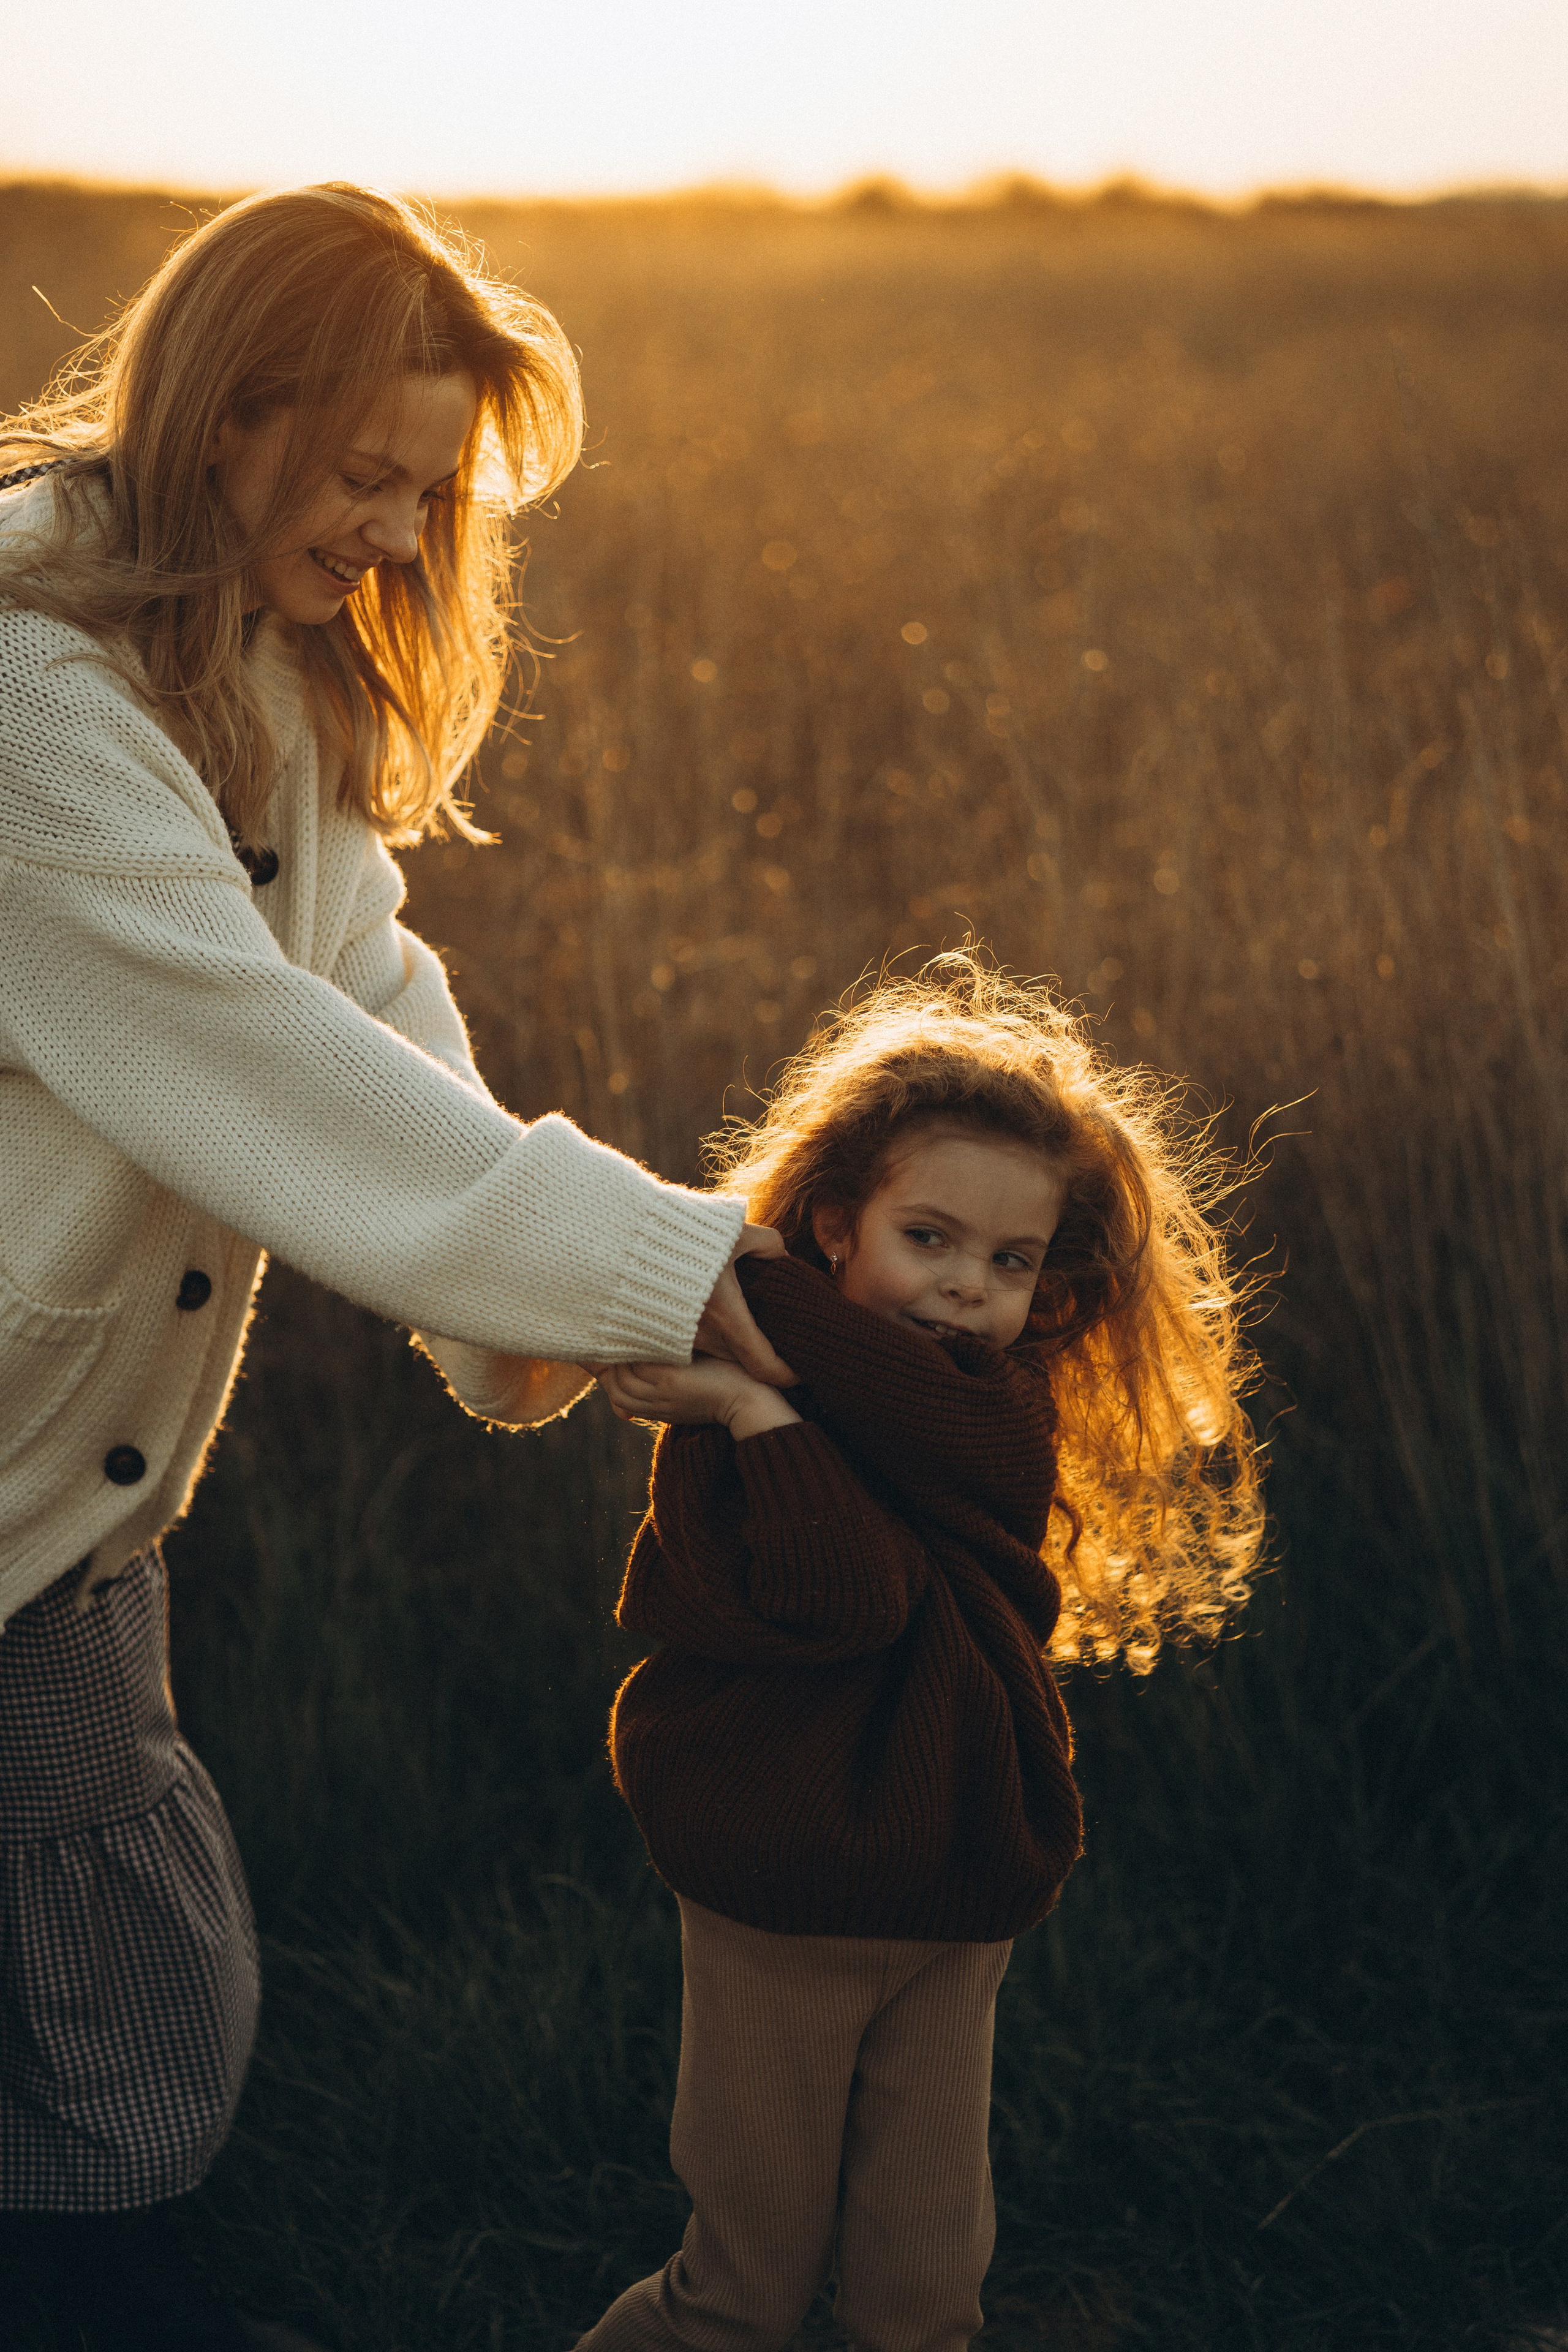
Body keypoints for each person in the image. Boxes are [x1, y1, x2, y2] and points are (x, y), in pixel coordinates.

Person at [0, 183, 792, 2350]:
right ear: (223, 418)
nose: (396, 530)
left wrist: (538, 1298)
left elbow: (358, 993)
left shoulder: (266, 670)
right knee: (101, 1993)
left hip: (53, 1510)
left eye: (431, 493)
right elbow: (242, 1047)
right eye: (366, 472)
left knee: (125, 1990)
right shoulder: (31, 709)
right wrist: (656, 1271)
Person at [584, 955, 1265, 2352]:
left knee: (923, 2294)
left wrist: (755, 1313)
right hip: (781, 1885)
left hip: (955, 1883)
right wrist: (754, 1414)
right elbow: (843, 1602)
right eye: (929, 1239)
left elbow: (915, 1426)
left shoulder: (992, 1411)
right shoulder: (725, 1429)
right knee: (741, 2291)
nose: (964, 1292)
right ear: (837, 1222)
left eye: (1009, 1263)